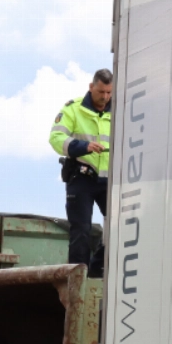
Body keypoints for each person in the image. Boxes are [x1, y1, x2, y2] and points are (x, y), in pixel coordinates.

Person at [50, 68, 112, 274]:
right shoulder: (72, 109)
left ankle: (95, 272)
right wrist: (83, 147)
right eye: (101, 92)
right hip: (82, 178)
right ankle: (78, 282)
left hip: (110, 182)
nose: (105, 97)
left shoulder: (122, 111)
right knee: (81, 232)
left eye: (109, 93)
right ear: (91, 87)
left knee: (121, 229)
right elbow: (56, 138)